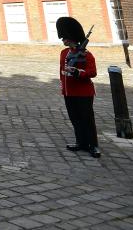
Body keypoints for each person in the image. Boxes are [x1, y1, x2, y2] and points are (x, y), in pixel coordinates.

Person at [57, 16, 101, 158]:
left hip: (83, 92)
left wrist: (78, 72)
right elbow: (61, 71)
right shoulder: (64, 53)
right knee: (74, 118)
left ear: (72, 38)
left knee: (87, 118)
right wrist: (63, 86)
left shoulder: (86, 54)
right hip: (69, 92)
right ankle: (81, 142)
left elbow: (92, 72)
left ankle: (93, 145)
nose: (63, 40)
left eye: (65, 38)